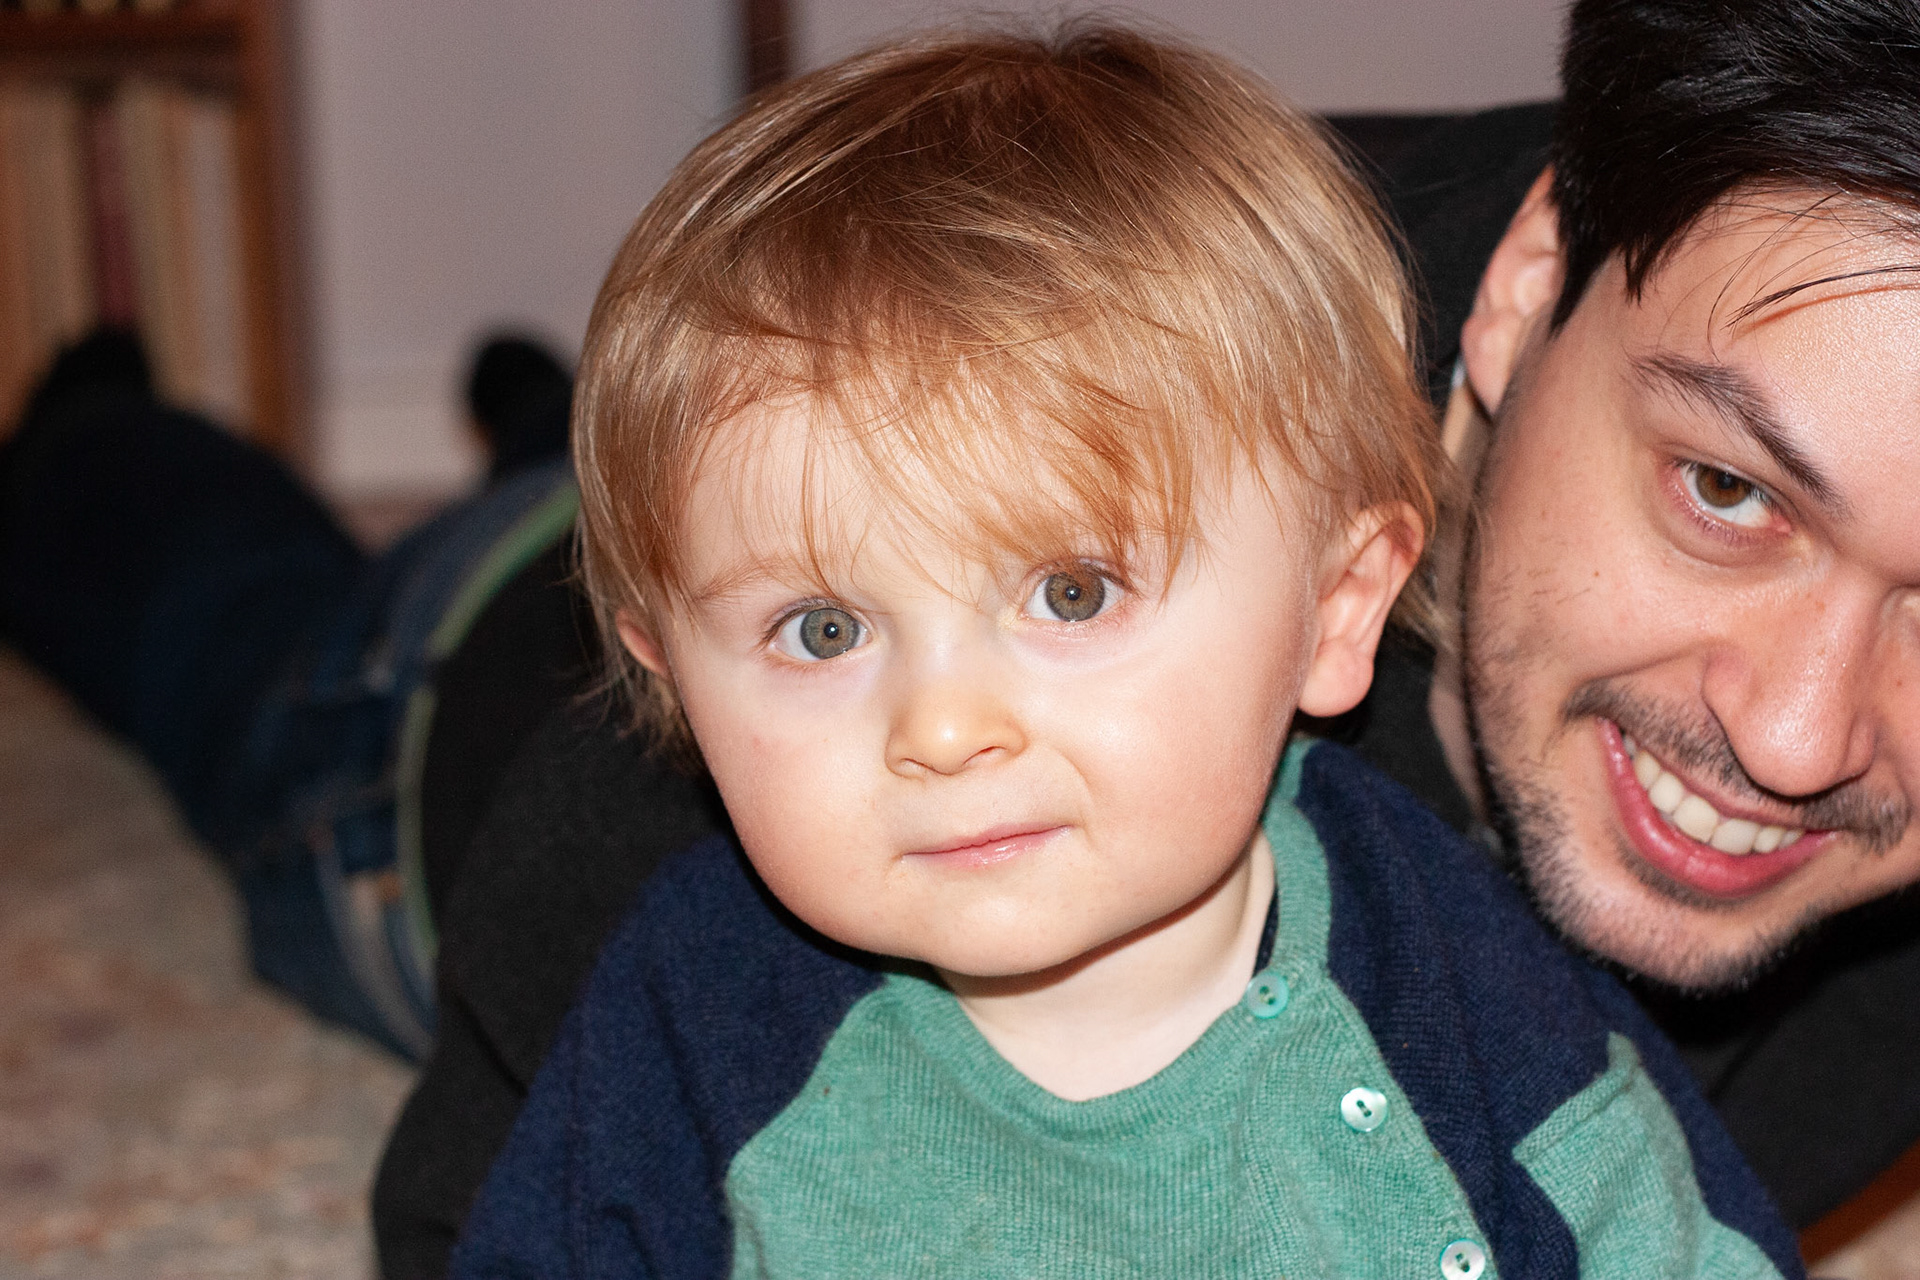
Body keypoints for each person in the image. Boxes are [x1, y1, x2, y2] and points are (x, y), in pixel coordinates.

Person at [371, 0, 1920, 1273]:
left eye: (1073, 597)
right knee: (285, 625)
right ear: (1526, 288)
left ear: (1342, 601)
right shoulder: (727, 885)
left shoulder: (1441, 968)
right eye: (1727, 488)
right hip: (454, 694)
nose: (1795, 737)